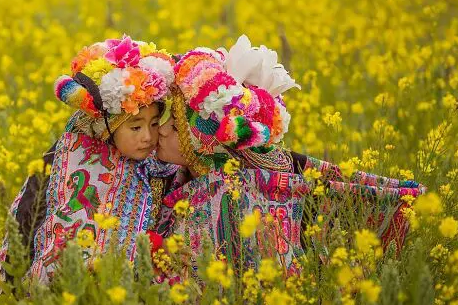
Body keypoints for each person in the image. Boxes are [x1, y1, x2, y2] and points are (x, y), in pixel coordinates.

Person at [154, 35, 426, 278]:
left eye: (177, 127)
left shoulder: (230, 195)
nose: (161, 131)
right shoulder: (170, 172)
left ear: (208, 145)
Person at [0, 35, 179, 299]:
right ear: (105, 128)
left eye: (155, 123)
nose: (148, 136)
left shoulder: (159, 165)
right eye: (135, 127)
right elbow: (31, 222)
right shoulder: (72, 161)